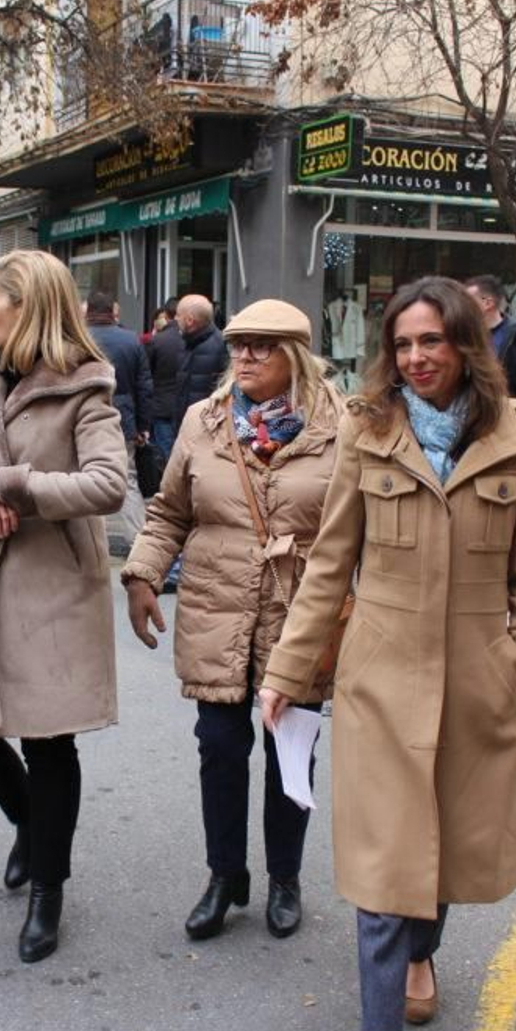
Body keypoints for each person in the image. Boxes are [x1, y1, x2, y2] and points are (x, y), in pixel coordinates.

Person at [257, 276, 516, 1031]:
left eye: (432, 340)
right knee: (387, 856)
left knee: (448, 846)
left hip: (476, 684)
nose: (417, 357)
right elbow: (329, 564)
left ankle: (424, 951)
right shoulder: (368, 430)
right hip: (381, 681)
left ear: (467, 343)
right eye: (402, 344)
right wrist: (287, 672)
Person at [121, 299, 344, 943]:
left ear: (295, 357)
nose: (242, 356)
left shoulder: (341, 426)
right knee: (219, 749)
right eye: (238, 344)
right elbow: (169, 512)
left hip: (300, 615)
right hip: (216, 609)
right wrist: (141, 573)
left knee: (288, 754)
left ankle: (285, 879)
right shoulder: (204, 420)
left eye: (261, 347)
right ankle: (224, 876)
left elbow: (362, 529)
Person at [0, 249, 127, 964]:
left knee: (48, 744)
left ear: (29, 307)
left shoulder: (86, 388)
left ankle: (49, 887)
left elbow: (109, 485)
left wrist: (11, 487)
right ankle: (29, 825)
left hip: (50, 592)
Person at [84, 290, 153, 534]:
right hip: (124, 419)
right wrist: (143, 426)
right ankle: (140, 540)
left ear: (87, 311)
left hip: (82, 418)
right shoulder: (131, 340)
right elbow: (144, 386)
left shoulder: (76, 338)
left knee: (85, 478)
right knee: (128, 479)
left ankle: (91, 540)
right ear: (112, 312)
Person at [464, 274, 516, 400]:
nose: (463, 306)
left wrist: (513, 409)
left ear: (488, 303)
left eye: (468, 301)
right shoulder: (464, 337)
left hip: (509, 415)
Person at [174, 294, 229, 427]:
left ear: (189, 320)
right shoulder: (187, 343)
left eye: (178, 314)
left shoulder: (219, 346)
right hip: (187, 426)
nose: (175, 319)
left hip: (205, 428)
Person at [146, 297, 185, 459]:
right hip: (186, 404)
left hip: (161, 405)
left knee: (165, 452)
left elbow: (147, 374)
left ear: (166, 316)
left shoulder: (157, 341)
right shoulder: (194, 340)